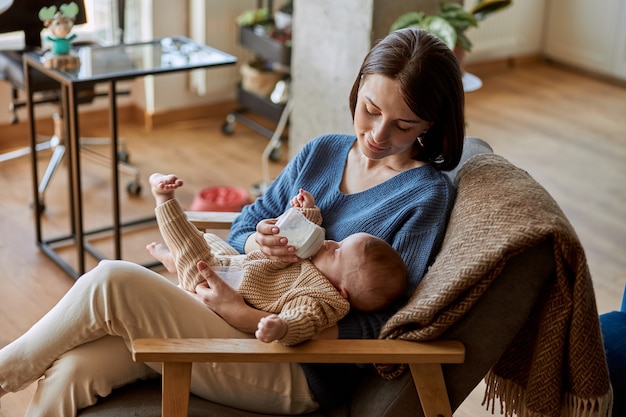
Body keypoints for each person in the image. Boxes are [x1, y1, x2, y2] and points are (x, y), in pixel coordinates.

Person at [0, 27, 465, 416]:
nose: (379, 135)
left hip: (296, 363)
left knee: (113, 281)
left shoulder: (424, 196)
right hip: (224, 318)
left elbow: (390, 321)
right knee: (74, 371)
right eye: (371, 109)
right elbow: (246, 225)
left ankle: (5, 371)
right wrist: (259, 241)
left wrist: (249, 315)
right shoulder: (322, 152)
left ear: (430, 124)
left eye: (404, 125)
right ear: (359, 86)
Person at [149, 173, 407, 346]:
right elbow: (306, 233)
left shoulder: (321, 297)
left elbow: (304, 320)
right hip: (234, 264)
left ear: (342, 290)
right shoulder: (313, 259)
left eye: (336, 251)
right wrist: (305, 211)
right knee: (213, 244)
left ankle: (164, 199)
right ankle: (174, 259)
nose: (330, 242)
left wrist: (281, 326)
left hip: (214, 287)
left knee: (191, 247)